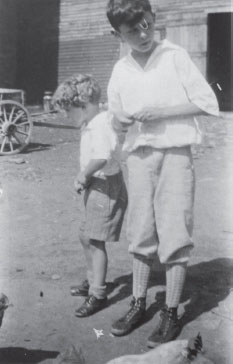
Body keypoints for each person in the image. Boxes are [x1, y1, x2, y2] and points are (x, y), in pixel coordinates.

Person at [106, 0, 219, 346]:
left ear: (153, 19)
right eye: (132, 31)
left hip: (174, 154)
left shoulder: (174, 56)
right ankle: (139, 303)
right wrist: (120, 120)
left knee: (174, 231)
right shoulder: (121, 69)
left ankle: (171, 310)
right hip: (139, 158)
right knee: (140, 231)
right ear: (117, 34)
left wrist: (162, 112)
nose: (142, 34)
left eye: (146, 25)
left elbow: (207, 102)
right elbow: (115, 117)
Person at [52, 74, 127, 317]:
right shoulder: (92, 122)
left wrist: (83, 175)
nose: (67, 116)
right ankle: (93, 279)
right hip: (97, 186)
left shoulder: (101, 124)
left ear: (83, 106)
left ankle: (98, 293)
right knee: (86, 236)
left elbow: (102, 157)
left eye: (69, 111)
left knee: (95, 240)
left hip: (104, 188)